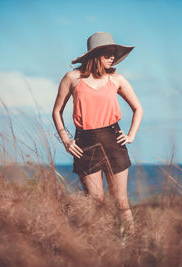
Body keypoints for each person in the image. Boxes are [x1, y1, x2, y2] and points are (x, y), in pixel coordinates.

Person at [52, 32, 143, 235]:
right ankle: (100, 248)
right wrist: (66, 140)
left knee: (121, 202)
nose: (112, 57)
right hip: (85, 143)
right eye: (107, 53)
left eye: (113, 54)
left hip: (114, 141)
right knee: (95, 205)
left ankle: (132, 246)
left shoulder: (117, 79)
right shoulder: (72, 78)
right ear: (95, 55)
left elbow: (138, 108)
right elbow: (56, 111)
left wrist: (130, 135)